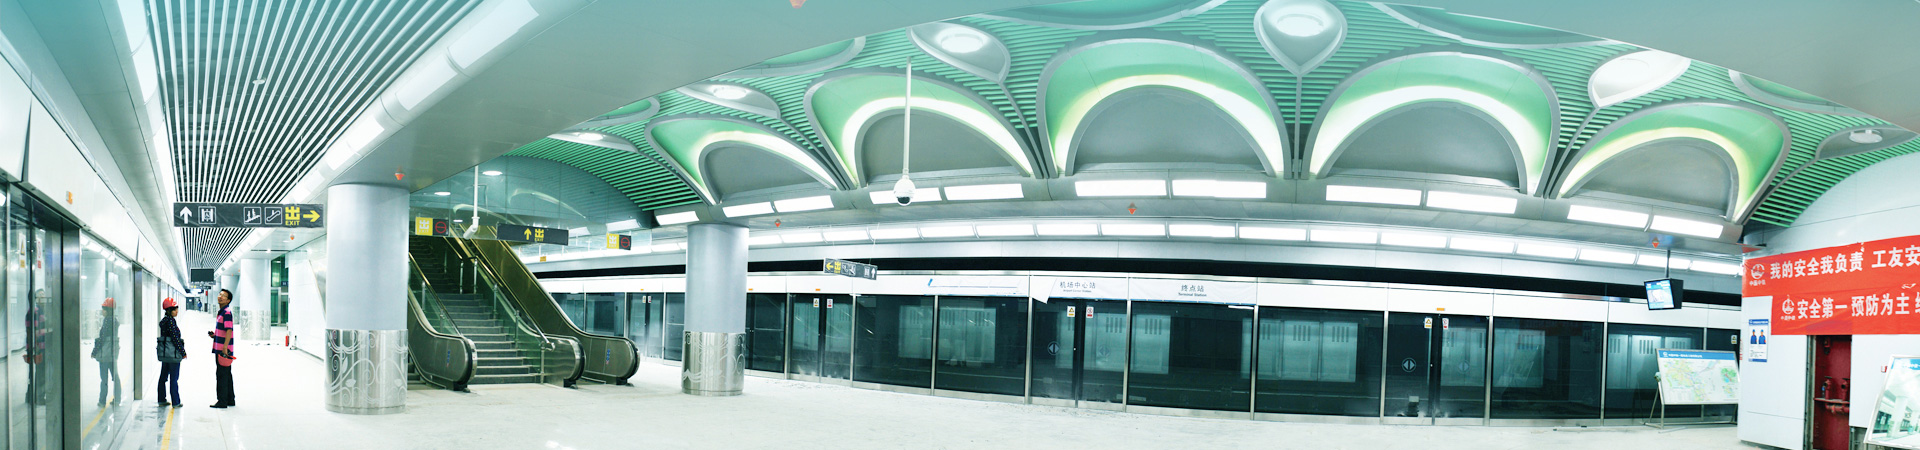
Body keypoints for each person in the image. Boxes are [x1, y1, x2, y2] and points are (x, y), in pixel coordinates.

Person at [208, 289, 237, 408]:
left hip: (223, 349)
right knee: (226, 374)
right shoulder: (222, 312)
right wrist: (215, 336)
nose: (220, 297)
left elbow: (229, 330)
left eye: (223, 296)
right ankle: (230, 399)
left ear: (228, 300)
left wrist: (225, 347)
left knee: (221, 375)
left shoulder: (227, 312)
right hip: (220, 346)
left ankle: (222, 401)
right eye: (220, 294)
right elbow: (224, 330)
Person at [92, 298, 122, 406]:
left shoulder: (107, 321)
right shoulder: (115, 321)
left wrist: (94, 351)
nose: (102, 311)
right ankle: (117, 399)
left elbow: (102, 338)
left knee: (104, 379)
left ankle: (102, 401)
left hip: (105, 354)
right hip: (113, 353)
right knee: (115, 376)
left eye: (104, 308)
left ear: (109, 310)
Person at [157, 297, 186, 407]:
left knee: (163, 377)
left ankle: (161, 399)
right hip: (172, 354)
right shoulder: (171, 322)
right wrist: (182, 352)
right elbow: (175, 338)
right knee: (174, 378)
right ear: (169, 310)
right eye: (174, 309)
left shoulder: (164, 321)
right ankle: (176, 401)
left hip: (165, 354)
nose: (177, 311)